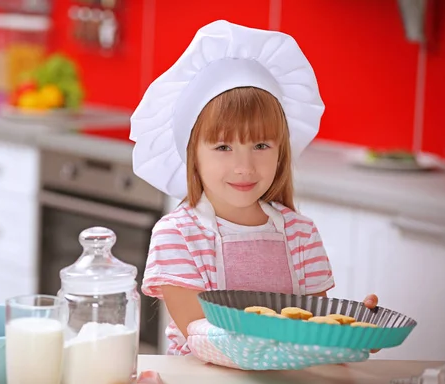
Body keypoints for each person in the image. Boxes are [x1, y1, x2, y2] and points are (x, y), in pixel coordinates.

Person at [129, 20, 379, 357]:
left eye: (261, 145)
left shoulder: (300, 234)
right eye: (223, 147)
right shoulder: (178, 236)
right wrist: (311, 337)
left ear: (281, 150)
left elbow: (313, 328)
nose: (244, 166)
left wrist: (345, 335)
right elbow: (202, 336)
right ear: (192, 155)